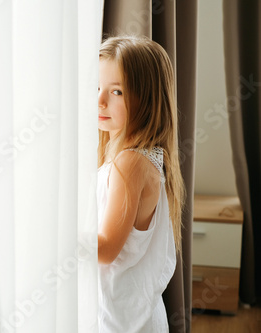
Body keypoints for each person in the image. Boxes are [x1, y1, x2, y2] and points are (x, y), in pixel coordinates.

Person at [96, 36, 185, 332]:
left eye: (117, 91)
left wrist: (51, 238)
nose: (101, 100)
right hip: (133, 313)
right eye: (97, 87)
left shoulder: (130, 163)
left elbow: (107, 249)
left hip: (124, 320)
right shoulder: (142, 156)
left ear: (145, 98)